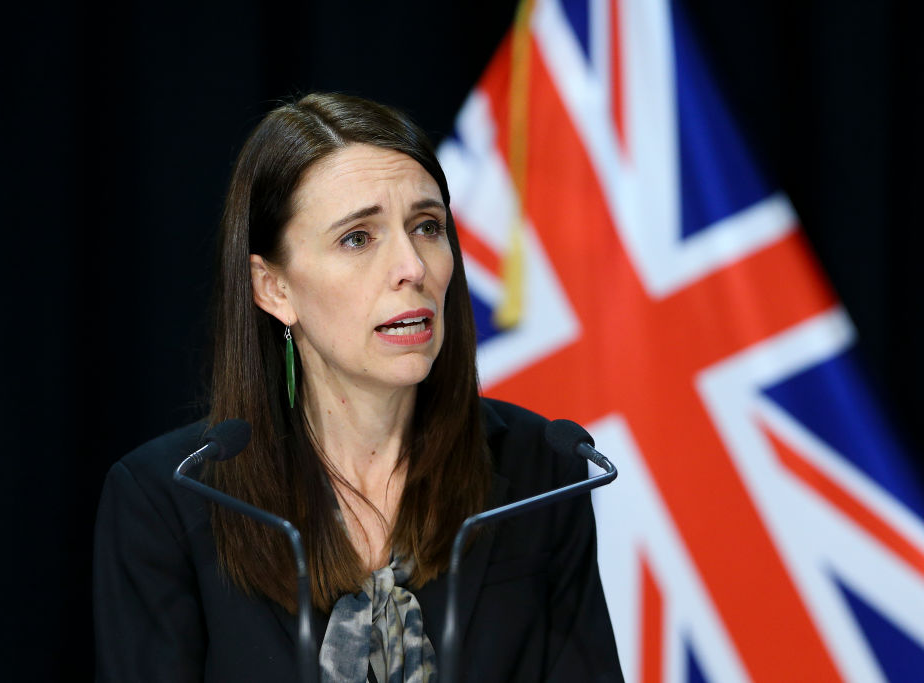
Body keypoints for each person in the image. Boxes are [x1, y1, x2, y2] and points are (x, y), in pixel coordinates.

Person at [93, 92, 623, 682]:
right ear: (274, 289)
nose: (413, 267)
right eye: (357, 238)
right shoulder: (172, 499)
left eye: (427, 227)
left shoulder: (540, 474)